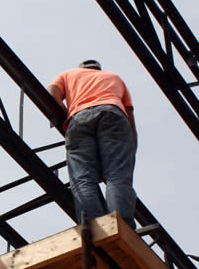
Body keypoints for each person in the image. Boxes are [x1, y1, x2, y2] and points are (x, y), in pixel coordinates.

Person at [48, 59, 137, 225]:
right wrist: (131, 146)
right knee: (117, 176)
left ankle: (94, 226)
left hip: (79, 118)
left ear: (81, 68)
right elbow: (129, 115)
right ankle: (121, 224)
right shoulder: (115, 77)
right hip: (113, 114)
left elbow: (52, 93)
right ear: (98, 69)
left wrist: (68, 116)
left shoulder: (68, 74)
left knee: (83, 178)